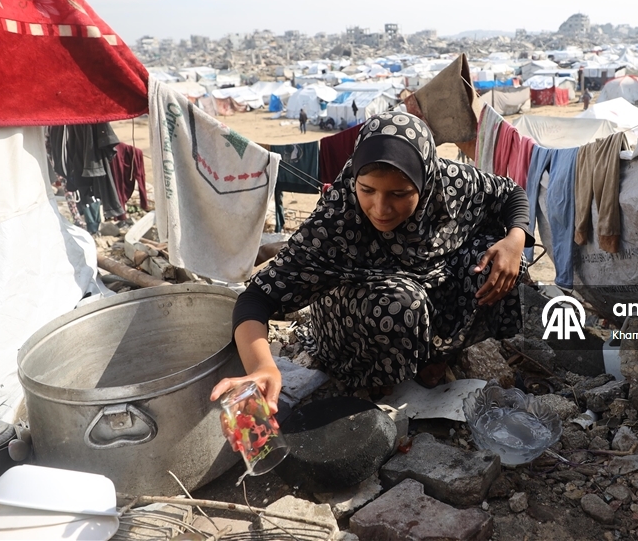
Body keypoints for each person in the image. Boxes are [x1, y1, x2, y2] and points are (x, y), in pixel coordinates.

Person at [210, 111, 533, 412]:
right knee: (401, 303)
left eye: (399, 194)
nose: (380, 208)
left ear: (425, 180)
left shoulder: (451, 183)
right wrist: (262, 367)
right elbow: (256, 298)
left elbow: (509, 194)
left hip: (431, 286)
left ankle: (439, 355)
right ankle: (378, 381)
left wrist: (515, 239)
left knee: (499, 262)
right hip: (364, 317)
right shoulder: (337, 219)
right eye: (367, 190)